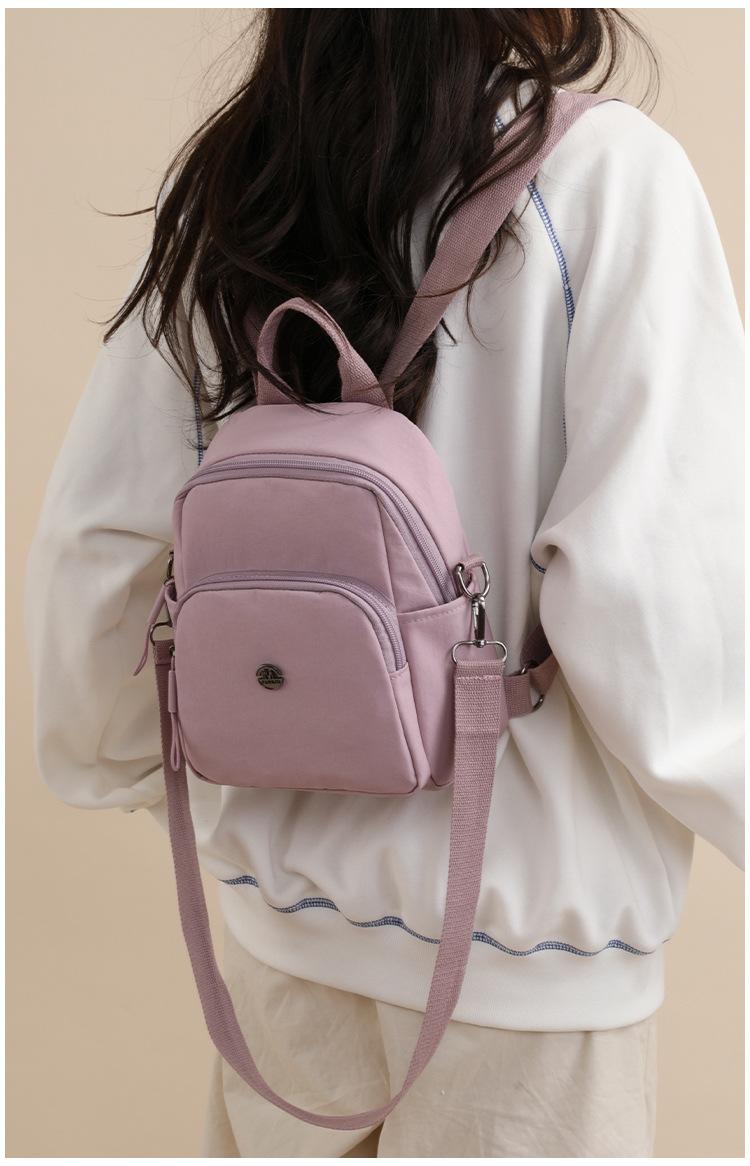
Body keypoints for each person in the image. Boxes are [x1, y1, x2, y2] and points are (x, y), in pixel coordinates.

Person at [26, 10, 743, 1159]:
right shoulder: (608, 178)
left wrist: (112, 757)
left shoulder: (239, 178)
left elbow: (103, 540)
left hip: (283, 944)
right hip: (528, 965)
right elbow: (661, 605)